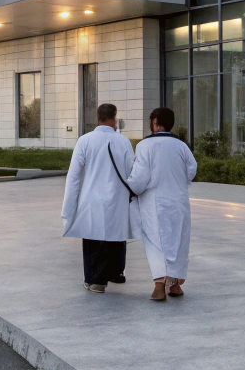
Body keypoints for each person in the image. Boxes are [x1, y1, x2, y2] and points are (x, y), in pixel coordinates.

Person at [60, 103, 135, 293]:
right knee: (116, 236)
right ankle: (115, 272)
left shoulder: (85, 141)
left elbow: (74, 175)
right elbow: (131, 172)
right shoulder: (123, 142)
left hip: (91, 198)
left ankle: (95, 280)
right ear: (114, 118)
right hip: (117, 199)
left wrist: (69, 205)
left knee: (93, 238)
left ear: (98, 118)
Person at [127, 106, 197, 302]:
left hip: (154, 203)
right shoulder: (181, 146)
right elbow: (192, 169)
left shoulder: (145, 145)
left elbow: (139, 177)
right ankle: (175, 285)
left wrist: (130, 189)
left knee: (155, 242)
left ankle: (159, 286)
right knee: (178, 241)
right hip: (179, 201)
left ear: (155, 123)